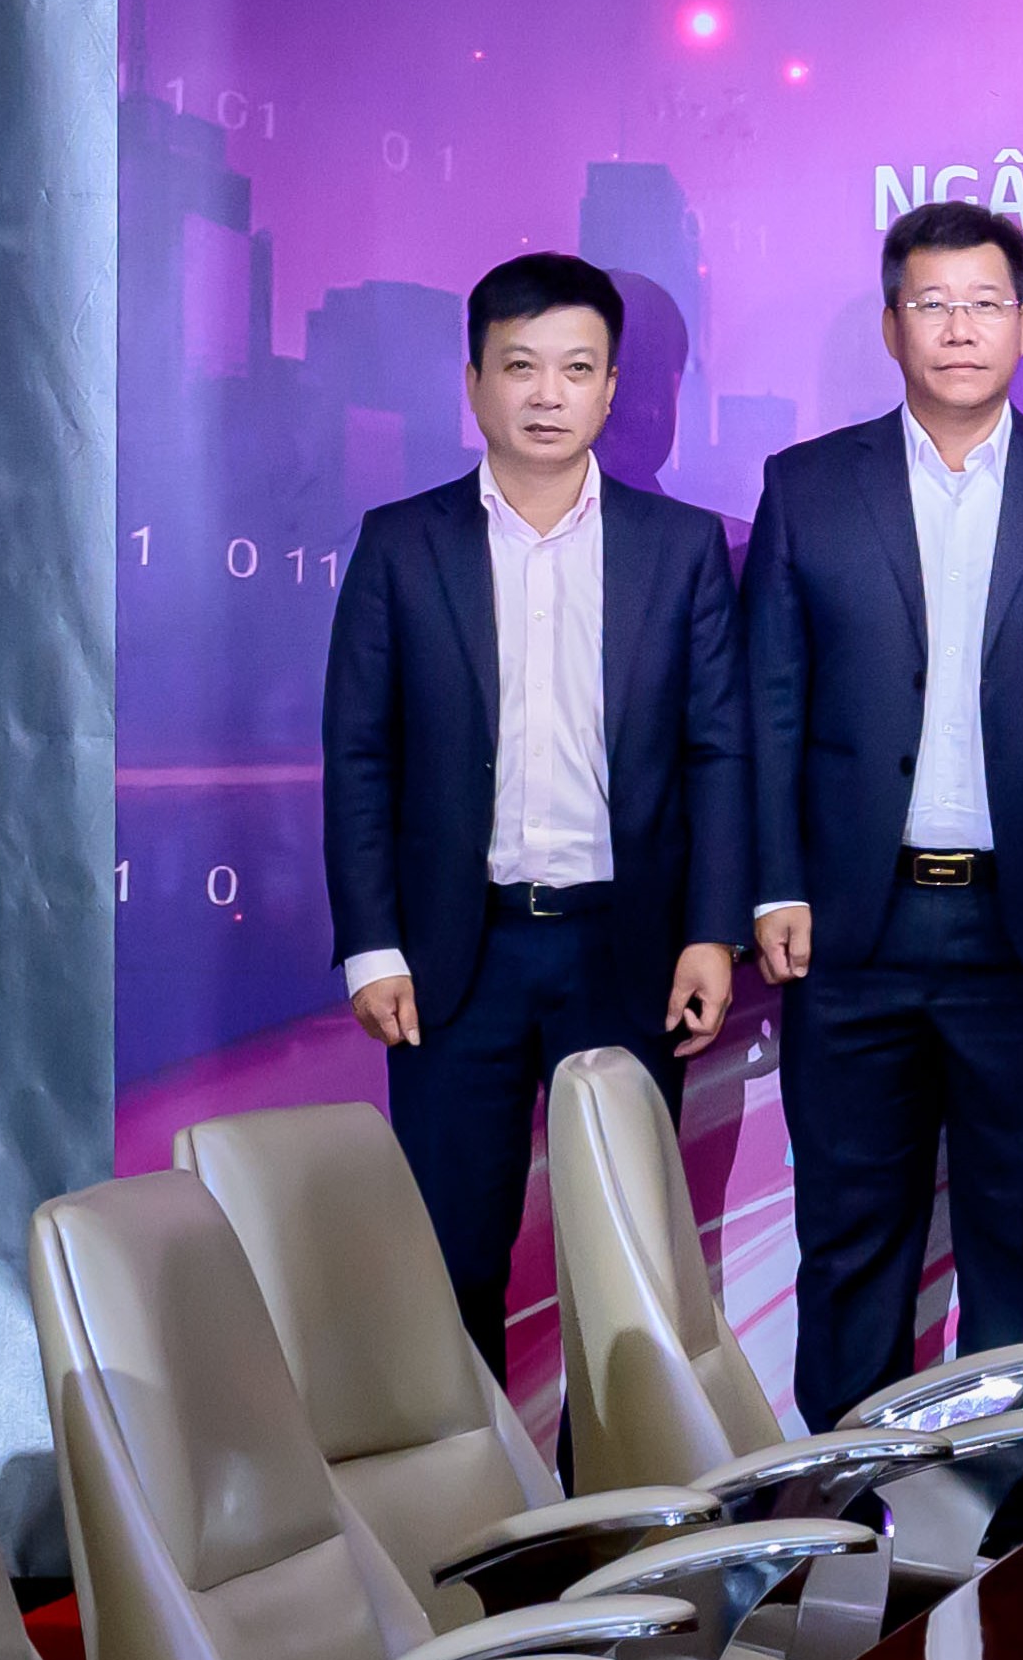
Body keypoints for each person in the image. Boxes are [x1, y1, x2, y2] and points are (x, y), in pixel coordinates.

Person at [317, 249, 748, 1362]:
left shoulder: (680, 548)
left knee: (622, 1261)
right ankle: (470, 1474)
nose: (548, 394)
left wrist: (711, 933)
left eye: (577, 368)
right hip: (456, 957)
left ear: (612, 389)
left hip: (626, 947)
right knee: (451, 1256)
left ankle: (608, 1475)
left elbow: (718, 753)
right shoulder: (402, 544)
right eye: (520, 366)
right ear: (473, 383)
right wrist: (373, 947)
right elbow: (359, 756)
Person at [739, 204, 1023, 1426]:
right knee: (852, 1251)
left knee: (1021, 1252)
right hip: (854, 933)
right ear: (893, 324)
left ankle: (1010, 1524)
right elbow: (769, 702)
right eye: (933, 304)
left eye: (985, 304)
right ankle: (844, 1536)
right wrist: (776, 882)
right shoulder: (807, 485)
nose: (960, 328)